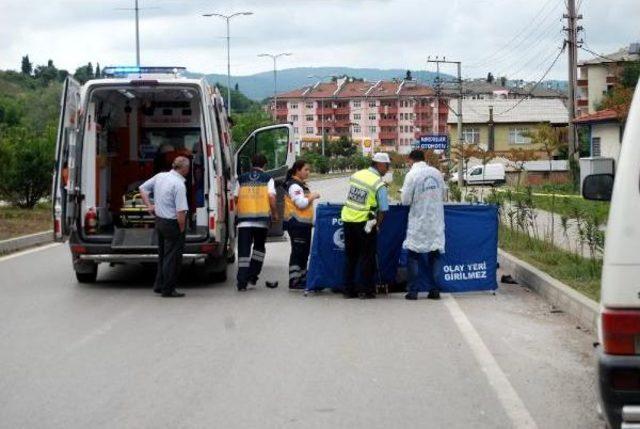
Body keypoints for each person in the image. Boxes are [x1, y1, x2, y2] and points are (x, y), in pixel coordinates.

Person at [340, 152, 391, 299]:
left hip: (348, 219)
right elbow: (383, 209)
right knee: (367, 257)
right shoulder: (378, 183)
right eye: (387, 166)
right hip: (365, 223)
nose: (387, 169)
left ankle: (348, 290)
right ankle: (366, 290)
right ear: (380, 165)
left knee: (350, 256)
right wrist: (377, 224)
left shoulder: (357, 174)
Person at [139, 156, 190, 298]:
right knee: (172, 258)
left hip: (160, 221)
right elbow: (181, 212)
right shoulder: (179, 185)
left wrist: (149, 205)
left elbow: (142, 188)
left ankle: (159, 285)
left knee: (162, 255)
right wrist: (181, 229)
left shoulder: (160, 176)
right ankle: (168, 289)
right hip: (172, 223)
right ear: (184, 169)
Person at [400, 149, 446, 301]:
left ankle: (413, 291)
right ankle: (434, 290)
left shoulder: (412, 175)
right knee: (435, 254)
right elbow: (444, 194)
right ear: (424, 159)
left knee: (413, 255)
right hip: (436, 220)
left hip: (419, 221)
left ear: (410, 160)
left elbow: (405, 200)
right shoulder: (436, 173)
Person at [235, 153, 278, 291]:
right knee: (259, 250)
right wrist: (275, 213)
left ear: (251, 164)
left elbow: (235, 198)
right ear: (265, 165)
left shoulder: (241, 179)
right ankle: (252, 277)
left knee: (243, 252)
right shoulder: (268, 178)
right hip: (261, 221)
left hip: (244, 221)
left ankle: (241, 282)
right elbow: (271, 197)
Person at [283, 160, 321, 290]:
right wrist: (313, 196)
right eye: (306, 170)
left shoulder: (301, 185)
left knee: (304, 252)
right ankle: (294, 279)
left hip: (303, 224)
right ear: (297, 170)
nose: (308, 172)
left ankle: (302, 278)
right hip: (296, 224)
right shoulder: (294, 186)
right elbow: (301, 203)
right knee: (298, 252)